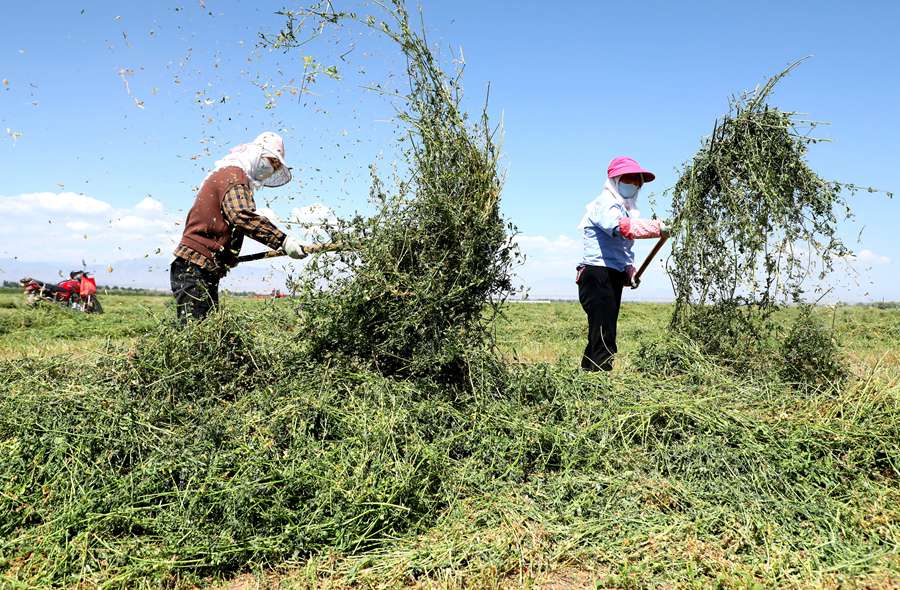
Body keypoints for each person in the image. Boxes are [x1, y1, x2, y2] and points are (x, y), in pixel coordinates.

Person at [171, 131, 306, 321]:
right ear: (256, 153)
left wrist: (228, 256)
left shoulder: (230, 175)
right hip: (194, 267)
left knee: (206, 333)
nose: (271, 168)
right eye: (271, 161)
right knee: (196, 336)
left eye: (276, 166)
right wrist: (283, 241)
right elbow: (241, 216)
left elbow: (228, 225)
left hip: (202, 267)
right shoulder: (233, 175)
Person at [576, 156, 667, 371]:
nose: (633, 184)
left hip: (611, 275)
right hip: (597, 274)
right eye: (629, 179)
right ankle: (598, 384)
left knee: (603, 331)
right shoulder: (604, 203)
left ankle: (586, 380)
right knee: (603, 333)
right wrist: (656, 228)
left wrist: (628, 270)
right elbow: (620, 228)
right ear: (615, 180)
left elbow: (621, 248)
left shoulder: (623, 208)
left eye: (637, 181)